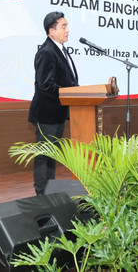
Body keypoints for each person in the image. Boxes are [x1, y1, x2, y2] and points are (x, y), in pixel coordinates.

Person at [28, 11, 79, 195]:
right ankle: (42, 193)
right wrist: (69, 93)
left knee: (52, 155)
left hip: (57, 113)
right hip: (47, 113)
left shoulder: (60, 50)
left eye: (67, 26)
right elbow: (45, 85)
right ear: (51, 31)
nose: (67, 30)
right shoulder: (47, 52)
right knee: (44, 154)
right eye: (63, 26)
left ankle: (49, 190)